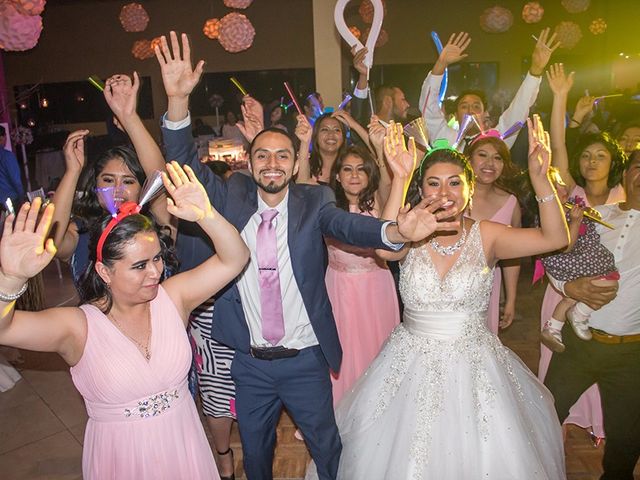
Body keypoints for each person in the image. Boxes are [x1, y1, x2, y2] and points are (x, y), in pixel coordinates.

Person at [155, 30, 453, 480]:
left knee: (325, 446)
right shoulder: (232, 196)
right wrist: (178, 102)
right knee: (256, 454)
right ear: (249, 162)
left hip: (305, 359)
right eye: (262, 156)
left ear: (296, 164)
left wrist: (393, 230)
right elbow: (182, 165)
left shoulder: (315, 202)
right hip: (250, 361)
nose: (272, 163)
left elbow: (349, 226)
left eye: (282, 156)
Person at [306, 115, 569, 479]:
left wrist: (542, 182)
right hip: (408, 363)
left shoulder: (489, 235)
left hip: (475, 367)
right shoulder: (409, 231)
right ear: (422, 189)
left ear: (469, 188)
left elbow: (555, 239)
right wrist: (398, 176)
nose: (444, 193)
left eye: (454, 183)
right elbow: (385, 252)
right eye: (433, 183)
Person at [0, 162, 250, 479]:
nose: (155, 272)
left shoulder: (173, 297)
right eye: (139, 265)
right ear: (105, 272)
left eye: (158, 258)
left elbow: (236, 258)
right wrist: (9, 279)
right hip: (122, 457)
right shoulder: (77, 327)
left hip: (183, 446)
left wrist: (207, 216)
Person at [540, 63, 627, 440]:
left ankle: (600, 425)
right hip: (563, 285)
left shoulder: (625, 198)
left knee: (603, 358)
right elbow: (558, 143)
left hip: (608, 293)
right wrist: (560, 96)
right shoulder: (570, 193)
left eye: (600, 156)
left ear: (614, 163)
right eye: (587, 156)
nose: (591, 161)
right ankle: (552, 425)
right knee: (560, 361)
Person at [545, 148, 640, 480]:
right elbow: (558, 255)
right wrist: (570, 289)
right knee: (544, 414)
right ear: (626, 174)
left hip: (632, 353)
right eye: (639, 167)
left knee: (626, 444)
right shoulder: (597, 215)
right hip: (578, 345)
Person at [51, 73, 171, 285]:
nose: (117, 189)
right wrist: (72, 172)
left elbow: (159, 177)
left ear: (142, 187)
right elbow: (51, 240)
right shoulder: (81, 233)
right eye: (107, 180)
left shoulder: (159, 223)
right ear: (95, 185)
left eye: (128, 181)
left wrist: (129, 116)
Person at [326, 145, 400, 404]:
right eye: (347, 169)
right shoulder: (326, 206)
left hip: (376, 284)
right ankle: (341, 409)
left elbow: (393, 186)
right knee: (342, 350)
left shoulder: (379, 201)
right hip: (338, 286)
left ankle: (377, 409)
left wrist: (381, 148)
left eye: (361, 170)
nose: (354, 175)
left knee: (376, 347)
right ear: (337, 175)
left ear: (370, 175)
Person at [419, 29, 559, 150]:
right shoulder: (443, 136)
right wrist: (441, 64)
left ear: (485, 113)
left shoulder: (497, 139)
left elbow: (519, 109)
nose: (470, 110)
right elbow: (428, 107)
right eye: (464, 106)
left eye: (476, 106)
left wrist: (536, 70)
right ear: (455, 115)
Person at [538, 169, 619, 352]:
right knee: (607, 283)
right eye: (555, 186)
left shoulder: (572, 205)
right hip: (569, 260)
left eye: (561, 183)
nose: (562, 188)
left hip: (584, 258)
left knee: (575, 296)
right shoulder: (550, 215)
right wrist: (575, 222)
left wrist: (591, 216)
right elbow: (565, 246)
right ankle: (580, 314)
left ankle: (553, 328)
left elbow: (590, 224)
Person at [464, 133, 521, 333]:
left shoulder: (510, 203)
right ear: (468, 160)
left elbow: (513, 257)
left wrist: (511, 299)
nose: (490, 163)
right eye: (482, 155)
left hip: (488, 287)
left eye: (497, 158)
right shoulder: (452, 197)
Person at [0, 125, 24, 210]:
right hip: (10, 200)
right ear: (2, 138)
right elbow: (16, 180)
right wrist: (22, 198)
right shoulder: (7, 156)